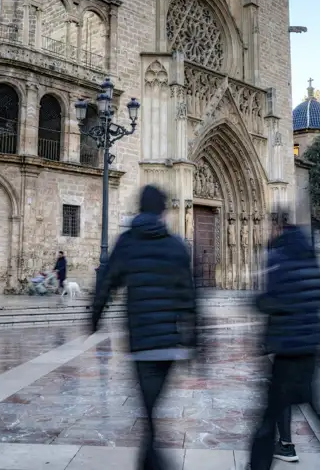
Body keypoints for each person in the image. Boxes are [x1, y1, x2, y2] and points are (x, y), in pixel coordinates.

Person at [91, 185, 197, 470]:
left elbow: (106, 283)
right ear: (163, 211)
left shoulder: (127, 242)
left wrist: (94, 319)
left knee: (148, 409)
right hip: (168, 344)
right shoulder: (176, 245)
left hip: (140, 342)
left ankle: (153, 462)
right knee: (151, 406)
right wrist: (194, 338)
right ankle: (153, 461)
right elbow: (189, 295)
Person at [248, 210, 320, 470]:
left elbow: (273, 300)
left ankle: (264, 460)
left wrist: (256, 301)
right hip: (310, 349)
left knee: (267, 419)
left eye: (270, 226)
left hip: (287, 351)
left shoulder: (278, 259)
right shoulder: (310, 257)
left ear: (277, 227)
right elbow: (318, 298)